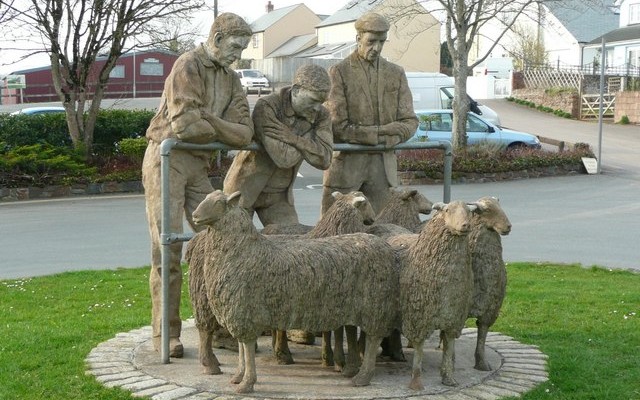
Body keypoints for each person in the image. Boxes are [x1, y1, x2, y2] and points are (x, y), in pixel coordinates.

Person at [141, 13, 254, 358]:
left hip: (197, 165)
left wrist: (210, 120)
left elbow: (245, 133)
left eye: (243, 50)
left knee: (223, 240)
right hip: (167, 160)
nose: (237, 56)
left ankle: (217, 327)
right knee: (169, 250)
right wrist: (219, 128)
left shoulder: (232, 80)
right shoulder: (187, 65)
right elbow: (186, 127)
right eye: (235, 47)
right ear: (217, 38)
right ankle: (167, 334)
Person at [320, 12, 418, 215]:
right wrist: (383, 133)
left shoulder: (396, 72)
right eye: (371, 41)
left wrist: (397, 133)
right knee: (335, 233)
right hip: (347, 169)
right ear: (358, 39)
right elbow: (338, 127)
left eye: (382, 41)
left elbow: (410, 121)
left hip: (383, 171)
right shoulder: (338, 71)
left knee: (384, 232)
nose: (377, 47)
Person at [224, 64, 333, 226]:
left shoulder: (321, 115)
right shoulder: (267, 106)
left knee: (292, 245)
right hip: (243, 191)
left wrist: (293, 138)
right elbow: (284, 158)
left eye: (322, 102)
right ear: (296, 90)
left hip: (279, 197)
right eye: (313, 100)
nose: (318, 108)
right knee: (233, 246)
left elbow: (325, 159)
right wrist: (311, 141)